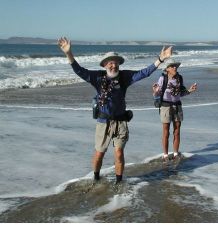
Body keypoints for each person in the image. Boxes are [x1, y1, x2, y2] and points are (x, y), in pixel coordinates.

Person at [58, 37, 172, 183]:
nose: (113, 65)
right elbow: (79, 71)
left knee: (119, 153)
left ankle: (119, 182)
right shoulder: (98, 78)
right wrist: (69, 53)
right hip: (103, 122)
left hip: (121, 122)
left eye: (116, 62)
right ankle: (96, 178)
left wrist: (160, 59)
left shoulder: (125, 77)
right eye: (110, 62)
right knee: (99, 154)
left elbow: (144, 72)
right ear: (105, 65)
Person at [152, 59, 197, 161]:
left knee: (177, 131)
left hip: (177, 106)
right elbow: (157, 94)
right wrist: (155, 91)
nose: (175, 68)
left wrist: (190, 90)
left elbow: (180, 93)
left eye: (175, 66)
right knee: (166, 132)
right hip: (165, 106)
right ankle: (165, 155)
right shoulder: (162, 78)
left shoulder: (179, 78)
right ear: (167, 69)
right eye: (172, 66)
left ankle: (176, 154)